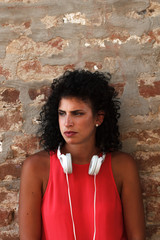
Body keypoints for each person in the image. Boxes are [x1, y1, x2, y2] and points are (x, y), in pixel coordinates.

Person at [19, 70, 145, 240]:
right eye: (62, 113)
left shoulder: (123, 166)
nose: (67, 123)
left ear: (98, 118)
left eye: (77, 113)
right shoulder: (36, 168)